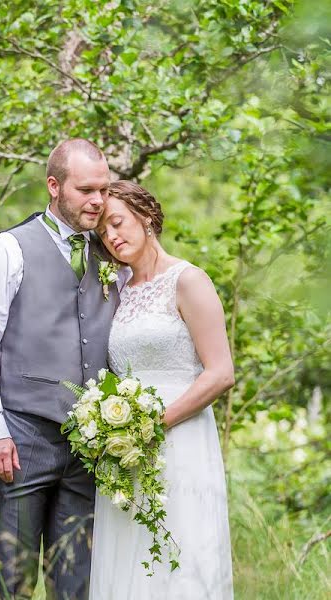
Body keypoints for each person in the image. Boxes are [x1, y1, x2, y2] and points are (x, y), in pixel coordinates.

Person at [0, 138, 125, 599]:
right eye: (86, 189)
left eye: (103, 190)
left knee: (77, 585)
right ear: (54, 186)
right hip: (18, 440)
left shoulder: (112, 256)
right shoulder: (7, 250)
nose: (97, 200)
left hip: (86, 452)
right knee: (9, 583)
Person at [89, 180, 234, 599]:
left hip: (180, 440)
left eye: (117, 223)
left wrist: (153, 424)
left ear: (147, 217)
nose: (112, 237)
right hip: (126, 453)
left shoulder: (188, 280)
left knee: (181, 555)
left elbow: (221, 372)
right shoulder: (116, 292)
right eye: (103, 233)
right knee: (129, 563)